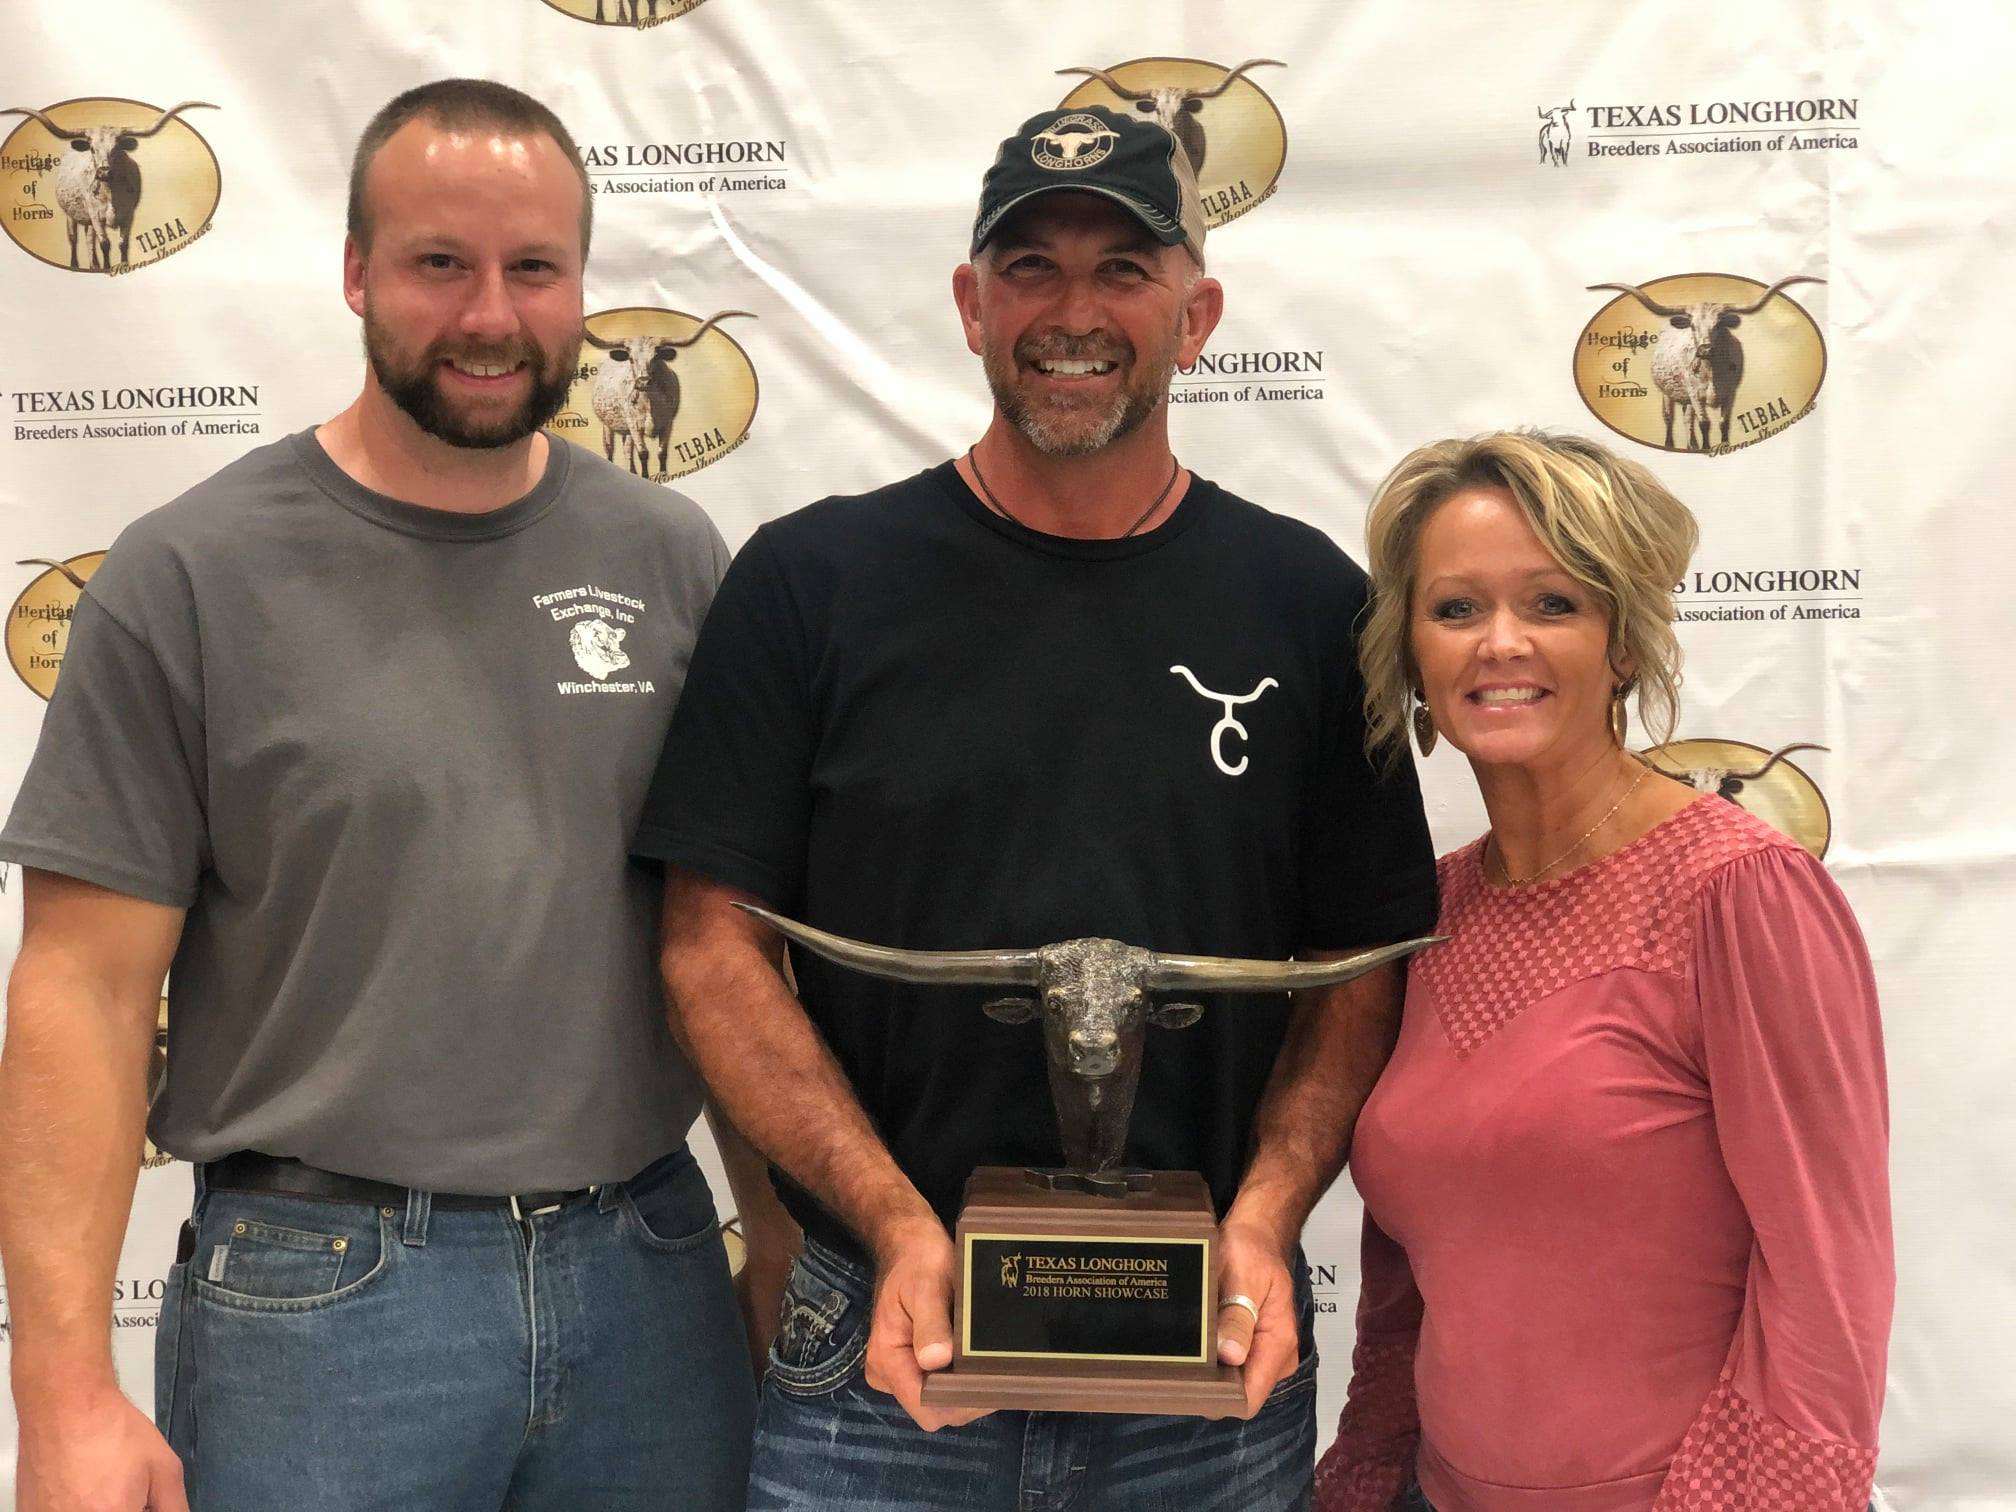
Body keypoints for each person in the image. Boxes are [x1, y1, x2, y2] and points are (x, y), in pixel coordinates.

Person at [638, 104, 1438, 1510]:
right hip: (885, 1360)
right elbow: (712, 947)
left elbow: (1357, 977)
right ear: (970, 305)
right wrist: (891, 1224)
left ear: (1199, 313)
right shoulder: (809, 584)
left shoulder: (1310, 604)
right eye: (1032, 269)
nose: (1075, 313)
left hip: (1215, 1363)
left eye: (1125, 270)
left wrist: (1263, 1222)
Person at [0, 79, 754, 1512]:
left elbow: (725, 955)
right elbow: (80, 999)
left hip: (649, 1279)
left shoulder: (673, 559)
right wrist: (63, 1393)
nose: (489, 316)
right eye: (436, 264)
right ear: (355, 272)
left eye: (533, 269)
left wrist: (775, 1245)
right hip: (325, 1306)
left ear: (581, 284)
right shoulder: (189, 578)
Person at [1313, 431, 1892, 1512]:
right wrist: (1364, 1475)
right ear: (1412, 656)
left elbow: (1829, 1286)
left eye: (1552, 603)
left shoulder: (1740, 893)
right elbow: (1402, 1288)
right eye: (1454, 610)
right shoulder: (1424, 916)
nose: (1500, 644)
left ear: (1623, 643)